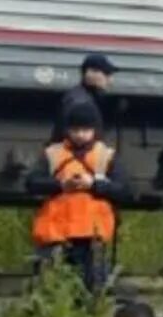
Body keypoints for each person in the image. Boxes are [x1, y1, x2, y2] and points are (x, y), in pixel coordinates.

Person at [25, 100, 121, 294]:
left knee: (93, 288)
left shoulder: (106, 156)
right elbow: (32, 183)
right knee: (51, 287)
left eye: (85, 130)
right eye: (75, 130)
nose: (80, 135)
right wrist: (61, 185)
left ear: (94, 130)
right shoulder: (52, 154)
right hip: (56, 232)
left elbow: (123, 189)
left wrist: (93, 184)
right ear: (67, 130)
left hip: (92, 233)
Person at [53, 53, 118, 142]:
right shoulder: (80, 102)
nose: (110, 80)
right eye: (106, 74)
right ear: (90, 73)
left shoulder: (80, 97)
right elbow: (77, 141)